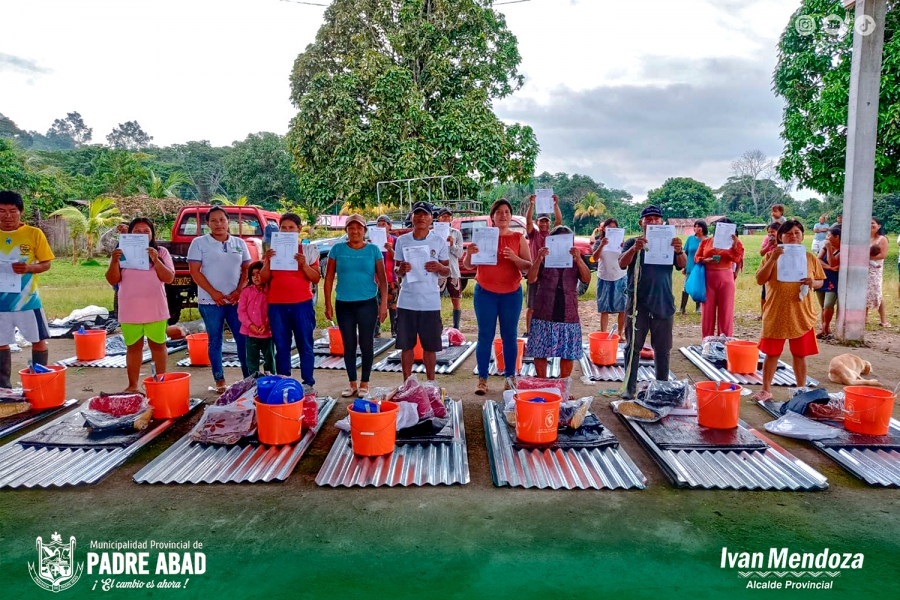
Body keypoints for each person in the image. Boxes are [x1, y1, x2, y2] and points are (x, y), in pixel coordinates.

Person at [752, 219, 825, 402]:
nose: (793, 236)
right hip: (776, 311)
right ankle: (766, 389)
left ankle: (801, 389)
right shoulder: (770, 257)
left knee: (800, 354)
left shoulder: (809, 257)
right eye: (789, 233)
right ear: (780, 236)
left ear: (802, 236)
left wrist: (812, 282)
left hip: (801, 312)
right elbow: (760, 279)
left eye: (797, 233)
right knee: (772, 353)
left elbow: (820, 281)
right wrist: (774, 258)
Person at [465, 198, 532, 395]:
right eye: (499, 212)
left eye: (507, 212)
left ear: (510, 216)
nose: (503, 215)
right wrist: (469, 253)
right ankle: (483, 379)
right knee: (484, 336)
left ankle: (510, 377)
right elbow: (469, 266)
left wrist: (514, 258)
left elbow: (528, 266)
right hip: (485, 293)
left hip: (511, 294)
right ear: (492, 216)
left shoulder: (518, 238)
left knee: (509, 337)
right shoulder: (483, 236)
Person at [618, 205, 685, 399]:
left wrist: (679, 251)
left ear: (662, 222)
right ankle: (629, 388)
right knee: (633, 347)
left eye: (657, 219)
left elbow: (682, 265)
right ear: (642, 223)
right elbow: (622, 263)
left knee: (663, 348)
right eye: (649, 219)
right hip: (637, 302)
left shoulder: (671, 242)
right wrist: (634, 248)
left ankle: (662, 388)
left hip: (663, 301)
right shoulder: (633, 242)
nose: (653, 222)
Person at [105, 218, 174, 393]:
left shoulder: (162, 252)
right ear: (130, 233)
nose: (142, 234)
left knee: (158, 346)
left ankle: (161, 381)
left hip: (155, 308)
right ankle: (133, 385)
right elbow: (113, 279)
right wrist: (114, 261)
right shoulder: (121, 252)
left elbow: (169, 278)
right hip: (130, 309)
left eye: (146, 231)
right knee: (133, 348)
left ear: (152, 234)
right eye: (137, 231)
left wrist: (156, 260)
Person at [188, 206, 251, 392]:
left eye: (222, 220)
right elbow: (194, 272)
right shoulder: (199, 243)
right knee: (215, 339)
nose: (218, 224)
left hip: (235, 301)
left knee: (242, 339)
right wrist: (213, 292)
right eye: (213, 221)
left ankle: (248, 378)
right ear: (207, 223)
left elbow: (246, 269)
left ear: (228, 221)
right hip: (210, 301)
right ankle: (220, 380)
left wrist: (239, 291)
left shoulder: (239, 243)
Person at [324, 214, 388, 397]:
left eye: (359, 227)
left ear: (364, 230)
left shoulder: (373, 250)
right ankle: (352, 383)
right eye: (351, 228)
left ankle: (364, 383)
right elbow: (328, 278)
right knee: (349, 344)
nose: (355, 231)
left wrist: (383, 305)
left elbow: (383, 280)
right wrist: (327, 303)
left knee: (367, 343)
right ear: (346, 231)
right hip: (344, 303)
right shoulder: (337, 249)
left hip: (367, 302)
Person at [0, 191, 54, 388]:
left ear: (20, 212)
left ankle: (39, 383)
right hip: (0, 303)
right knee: (1, 343)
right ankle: (3, 388)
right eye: (1, 211)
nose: (7, 216)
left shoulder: (33, 234)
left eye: (12, 211)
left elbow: (46, 263)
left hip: (28, 300)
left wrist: (29, 268)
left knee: (38, 340)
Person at [260, 212, 320, 386]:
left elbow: (315, 278)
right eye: (283, 228)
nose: (287, 231)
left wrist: (304, 265)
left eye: (291, 228)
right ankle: (284, 382)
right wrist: (268, 262)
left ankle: (308, 382)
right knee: (282, 346)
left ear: (299, 229)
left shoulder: (308, 250)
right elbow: (263, 279)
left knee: (305, 345)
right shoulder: (271, 252)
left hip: (302, 304)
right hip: (277, 305)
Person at [525, 226, 591, 379]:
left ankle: (563, 386)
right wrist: (539, 258)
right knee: (540, 350)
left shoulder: (575, 258)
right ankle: (543, 383)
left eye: (566, 239)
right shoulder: (545, 256)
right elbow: (531, 278)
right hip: (544, 309)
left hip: (568, 310)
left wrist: (579, 259)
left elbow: (587, 279)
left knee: (567, 352)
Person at [394, 201, 450, 381]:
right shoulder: (402, 241)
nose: (420, 218)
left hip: (430, 302)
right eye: (417, 214)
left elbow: (448, 271)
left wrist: (439, 266)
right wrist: (401, 269)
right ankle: (407, 382)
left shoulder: (438, 241)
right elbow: (396, 270)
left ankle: (431, 382)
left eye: (425, 214)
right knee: (406, 346)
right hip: (407, 301)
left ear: (431, 218)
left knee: (430, 346)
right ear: (411, 217)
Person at [694, 218, 744, 338]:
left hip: (726, 278)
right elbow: (696, 258)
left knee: (725, 312)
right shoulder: (706, 242)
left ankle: (725, 341)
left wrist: (735, 244)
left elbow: (737, 259)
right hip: (708, 278)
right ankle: (707, 341)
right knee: (707, 312)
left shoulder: (734, 243)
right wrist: (705, 260)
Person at [524, 193, 561, 336]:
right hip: (535, 271)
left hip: (549, 273)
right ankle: (529, 331)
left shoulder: (553, 234)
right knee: (531, 305)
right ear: (537, 222)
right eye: (541, 221)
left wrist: (556, 204)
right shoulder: (533, 234)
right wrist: (532, 204)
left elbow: (559, 220)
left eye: (546, 221)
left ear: (549, 223)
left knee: (549, 304)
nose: (544, 224)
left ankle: (546, 331)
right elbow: (527, 221)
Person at [238, 261, 274, 375]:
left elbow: (272, 311)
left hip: (267, 332)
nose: (256, 277)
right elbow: (241, 312)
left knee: (269, 359)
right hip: (250, 333)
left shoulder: (270, 291)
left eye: (259, 273)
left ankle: (271, 381)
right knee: (252, 361)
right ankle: (254, 383)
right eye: (253, 275)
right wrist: (250, 325)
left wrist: (266, 324)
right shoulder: (246, 292)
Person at [592, 217, 626, 334]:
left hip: (620, 276)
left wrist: (623, 247)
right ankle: (603, 333)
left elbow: (626, 259)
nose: (612, 229)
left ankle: (620, 334)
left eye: (614, 227)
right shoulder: (598, 241)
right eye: (609, 227)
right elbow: (593, 259)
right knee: (604, 308)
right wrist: (602, 245)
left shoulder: (622, 243)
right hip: (604, 277)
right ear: (604, 229)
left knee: (623, 307)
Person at [435, 207, 464, 330]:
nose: (446, 219)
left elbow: (460, 253)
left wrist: (452, 244)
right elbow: (430, 253)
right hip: (438, 272)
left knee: (456, 298)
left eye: (448, 216)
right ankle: (437, 325)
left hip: (453, 270)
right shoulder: (432, 234)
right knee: (436, 299)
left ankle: (456, 327)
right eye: (443, 216)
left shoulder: (456, 233)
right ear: (438, 218)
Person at [375, 214, 399, 337]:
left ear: (389, 226)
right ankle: (376, 329)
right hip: (376, 279)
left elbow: (399, 259)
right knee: (376, 304)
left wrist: (390, 249)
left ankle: (394, 330)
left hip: (391, 278)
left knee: (393, 305)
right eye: (378, 224)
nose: (381, 227)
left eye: (384, 224)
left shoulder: (395, 240)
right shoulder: (372, 242)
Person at [816, 227, 841, 339]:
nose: (827, 238)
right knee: (822, 306)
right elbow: (818, 260)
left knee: (828, 305)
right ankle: (825, 329)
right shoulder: (825, 248)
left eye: (829, 235)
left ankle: (826, 326)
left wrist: (829, 249)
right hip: (822, 278)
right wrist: (830, 268)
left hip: (833, 281)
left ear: (837, 237)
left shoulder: (841, 250)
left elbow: (833, 261)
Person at [867, 217, 891, 327]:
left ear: (879, 226)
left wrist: (866, 256)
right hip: (863, 269)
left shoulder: (882, 239)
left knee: (877, 293)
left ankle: (883, 320)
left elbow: (882, 255)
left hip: (875, 269)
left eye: (873, 223)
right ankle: (865, 317)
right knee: (864, 293)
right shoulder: (864, 238)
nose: (870, 225)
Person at [680, 220, 707, 314]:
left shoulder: (707, 240)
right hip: (690, 266)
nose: (697, 228)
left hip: (701, 268)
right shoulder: (690, 239)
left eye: (699, 226)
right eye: (695, 226)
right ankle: (682, 308)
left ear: (703, 228)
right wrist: (684, 266)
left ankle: (698, 307)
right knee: (686, 286)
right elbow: (685, 252)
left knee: (698, 287)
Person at [757, 222, 780, 319]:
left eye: (773, 231)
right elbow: (761, 253)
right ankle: (763, 313)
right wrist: (769, 245)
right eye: (769, 232)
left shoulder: (783, 240)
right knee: (764, 292)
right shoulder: (767, 239)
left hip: (780, 267)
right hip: (768, 266)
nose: (770, 234)